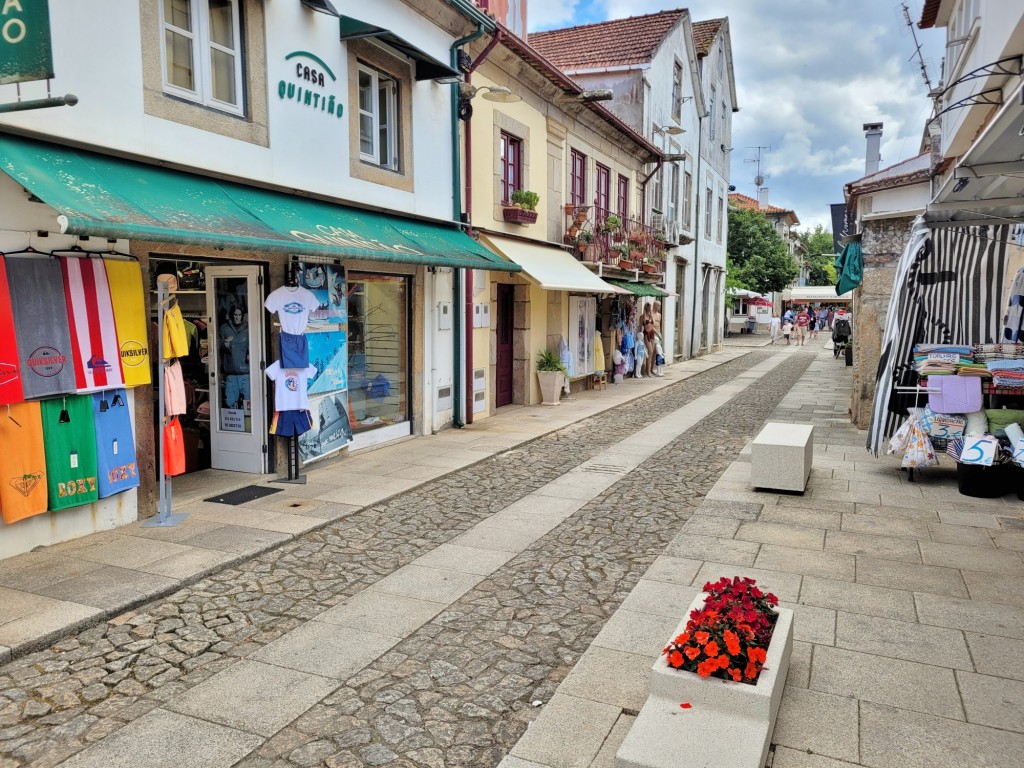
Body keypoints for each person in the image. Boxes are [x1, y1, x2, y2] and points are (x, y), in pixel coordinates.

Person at [219, 304, 250, 408]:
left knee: (248, 405)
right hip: (231, 374)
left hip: (246, 373)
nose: (237, 317)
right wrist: (224, 344)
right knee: (230, 404)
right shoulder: (224, 329)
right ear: (232, 315)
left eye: (239, 315)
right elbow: (215, 345)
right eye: (235, 315)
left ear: (242, 315)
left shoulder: (248, 329)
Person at [641, 303, 657, 377]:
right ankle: (647, 371)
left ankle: (649, 369)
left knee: (652, 351)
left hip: (652, 333)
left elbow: (653, 327)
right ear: (645, 308)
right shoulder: (643, 316)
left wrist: (659, 335)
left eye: (649, 307)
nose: (649, 309)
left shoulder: (651, 316)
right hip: (646, 333)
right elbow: (641, 327)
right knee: (650, 351)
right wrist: (640, 336)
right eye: (648, 307)